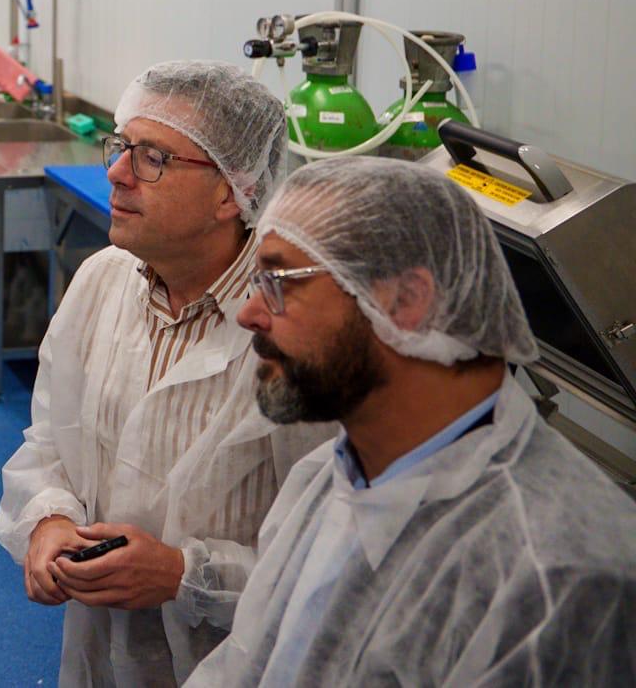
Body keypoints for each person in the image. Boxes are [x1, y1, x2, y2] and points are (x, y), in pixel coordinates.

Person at [191, 157, 636, 683]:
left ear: (405, 300)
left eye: (278, 281)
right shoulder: (332, 476)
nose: (248, 312)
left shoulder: (562, 578)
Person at [0, 60, 332, 686]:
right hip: (101, 659)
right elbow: (49, 442)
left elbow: (332, 556)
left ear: (232, 191)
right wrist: (49, 521)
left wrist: (185, 575)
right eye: (120, 147)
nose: (117, 174)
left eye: (154, 158)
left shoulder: (293, 332)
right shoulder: (102, 280)